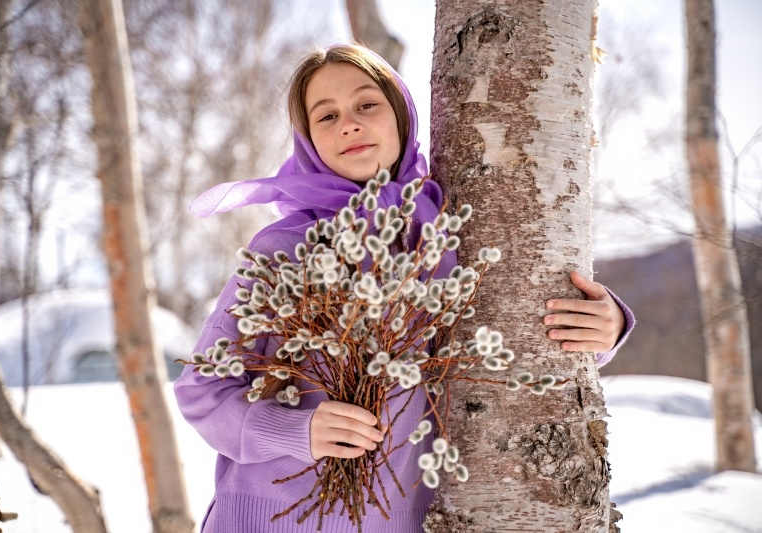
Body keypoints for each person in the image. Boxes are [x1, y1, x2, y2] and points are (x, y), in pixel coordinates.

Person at [175, 43, 635, 533]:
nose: (348, 124)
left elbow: (507, 341)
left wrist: (605, 327)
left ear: (401, 116)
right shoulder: (285, 248)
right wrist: (295, 428)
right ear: (307, 138)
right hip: (271, 518)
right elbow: (203, 391)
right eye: (325, 115)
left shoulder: (445, 236)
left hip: (400, 518)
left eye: (366, 104)